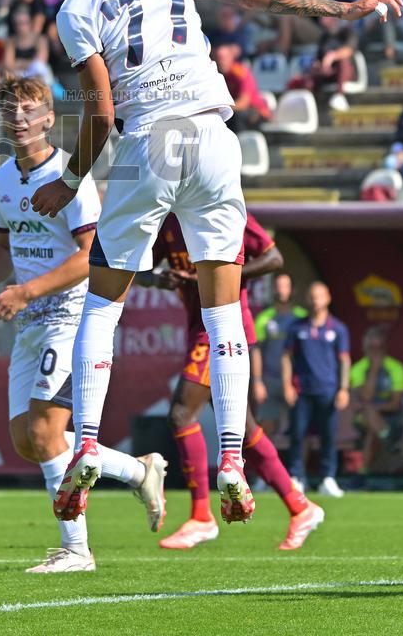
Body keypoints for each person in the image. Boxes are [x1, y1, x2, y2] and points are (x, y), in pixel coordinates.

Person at [28, 0, 400, 527]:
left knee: (102, 304)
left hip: (152, 139)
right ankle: (232, 458)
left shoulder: (76, 7)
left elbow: (102, 113)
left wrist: (68, 180)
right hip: (215, 140)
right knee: (224, 312)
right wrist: (343, 8)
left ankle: (86, 443)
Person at [0, 76, 166, 573]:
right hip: (29, 322)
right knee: (28, 441)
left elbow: (88, 256)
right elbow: (4, 245)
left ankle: (76, 549)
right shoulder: (0, 180)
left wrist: (26, 291)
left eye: (30, 110)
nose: (20, 119)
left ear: (49, 119)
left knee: (44, 430)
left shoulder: (69, 177)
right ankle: (138, 471)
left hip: (71, 318)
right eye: (11, 111)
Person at [138, 212, 323, 550]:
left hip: (224, 329)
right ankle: (301, 507)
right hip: (199, 327)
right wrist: (158, 279)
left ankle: (201, 517)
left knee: (182, 414)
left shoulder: (226, 208)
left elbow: (273, 258)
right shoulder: (170, 218)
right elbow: (139, 269)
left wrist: (214, 275)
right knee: (244, 431)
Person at [282, 282, 351, 497]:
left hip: (328, 390)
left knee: (328, 436)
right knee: (297, 434)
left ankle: (327, 478)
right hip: (301, 389)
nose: (315, 301)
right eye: (312, 296)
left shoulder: (337, 328)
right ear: (307, 299)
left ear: (328, 298)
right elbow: (286, 357)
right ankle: (296, 477)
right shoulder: (296, 327)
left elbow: (344, 359)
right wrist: (287, 385)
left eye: (319, 296)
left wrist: (344, 388)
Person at [254, 274, 308, 436]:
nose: (281, 290)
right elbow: (256, 351)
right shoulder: (264, 318)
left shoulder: (302, 317)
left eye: (285, 286)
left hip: (297, 380)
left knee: (300, 428)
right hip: (270, 379)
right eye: (278, 286)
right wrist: (257, 381)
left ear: (293, 290)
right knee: (266, 426)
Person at [350, 327, 403, 475]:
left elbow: (395, 405)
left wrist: (371, 408)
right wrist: (374, 371)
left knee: (372, 427)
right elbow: (366, 396)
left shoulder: (396, 368)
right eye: (371, 348)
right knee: (369, 417)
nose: (374, 352)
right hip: (361, 420)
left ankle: (363, 474)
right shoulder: (357, 369)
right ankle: (388, 440)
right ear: (364, 347)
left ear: (385, 348)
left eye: (378, 348)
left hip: (392, 419)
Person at [211, 44, 272, 131]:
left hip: (257, 113)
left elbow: (243, 103)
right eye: (218, 58)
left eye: (223, 58)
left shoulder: (240, 73)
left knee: (235, 117)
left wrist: (220, 108)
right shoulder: (216, 76)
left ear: (231, 57)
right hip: (237, 112)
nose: (221, 62)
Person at [3, 7, 51, 81]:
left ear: (30, 23)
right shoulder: (11, 41)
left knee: (40, 69)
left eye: (23, 23)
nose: (20, 27)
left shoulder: (40, 39)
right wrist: (28, 63)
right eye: (17, 24)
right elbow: (8, 64)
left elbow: (39, 63)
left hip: (37, 76)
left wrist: (19, 63)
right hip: (18, 75)